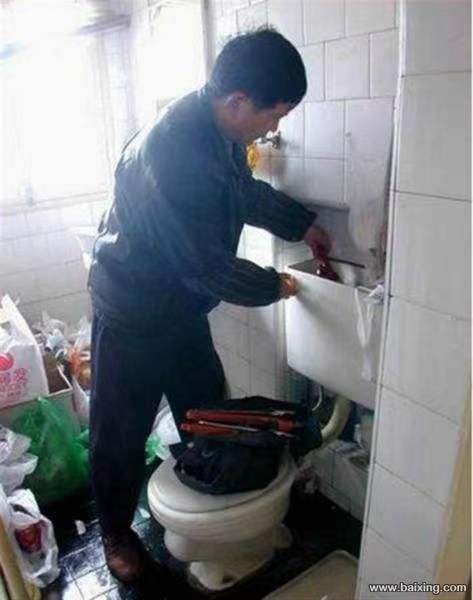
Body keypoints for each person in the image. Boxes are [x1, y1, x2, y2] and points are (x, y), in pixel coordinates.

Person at [88, 27, 331, 583]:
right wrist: (277, 286)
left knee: (209, 413)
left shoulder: (219, 129)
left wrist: (303, 224)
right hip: (130, 308)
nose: (274, 128)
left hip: (180, 304)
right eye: (274, 114)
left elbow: (242, 194)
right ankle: (116, 533)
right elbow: (205, 266)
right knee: (119, 433)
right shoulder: (172, 154)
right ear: (239, 101)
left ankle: (206, 493)